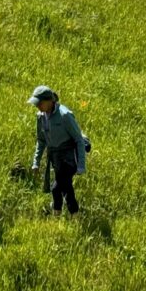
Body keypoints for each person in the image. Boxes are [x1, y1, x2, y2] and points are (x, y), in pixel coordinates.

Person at [29, 85, 86, 216]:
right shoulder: (40, 116)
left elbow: (79, 140)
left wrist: (81, 165)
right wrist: (36, 162)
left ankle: (59, 215)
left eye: (40, 103)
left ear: (50, 101)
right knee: (66, 188)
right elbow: (41, 141)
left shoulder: (64, 115)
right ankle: (73, 216)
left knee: (56, 189)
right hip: (56, 159)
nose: (37, 106)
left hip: (69, 158)